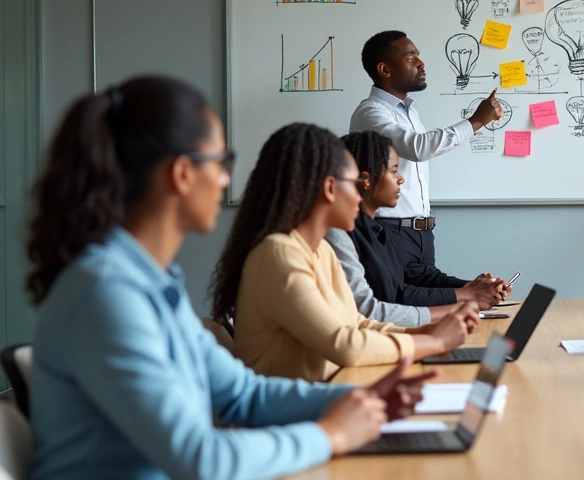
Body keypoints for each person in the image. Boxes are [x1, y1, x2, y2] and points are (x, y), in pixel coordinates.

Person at [26, 77, 432, 480]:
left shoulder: (153, 282)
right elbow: (201, 459)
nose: (226, 180)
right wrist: (330, 434)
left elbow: (244, 395)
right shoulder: (107, 294)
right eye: (221, 162)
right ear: (182, 174)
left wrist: (359, 398)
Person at [208, 122, 478, 382]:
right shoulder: (278, 255)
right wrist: (433, 341)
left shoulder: (321, 251)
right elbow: (345, 344)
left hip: (330, 394)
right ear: (329, 188)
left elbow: (357, 322)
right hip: (293, 416)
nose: (360, 195)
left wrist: (423, 330)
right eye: (354, 184)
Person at [350, 30, 509, 309]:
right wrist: (475, 122)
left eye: (419, 56)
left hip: (421, 232)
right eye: (411, 57)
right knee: (401, 305)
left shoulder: (409, 111)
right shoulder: (371, 112)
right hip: (391, 229)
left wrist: (472, 288)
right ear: (384, 69)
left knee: (428, 303)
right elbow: (419, 147)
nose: (421, 63)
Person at [325, 130, 472, 327]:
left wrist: (469, 288)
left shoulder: (379, 231)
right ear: (366, 179)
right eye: (394, 170)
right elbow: (376, 307)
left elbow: (405, 283)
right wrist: (460, 303)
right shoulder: (339, 234)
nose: (401, 179)